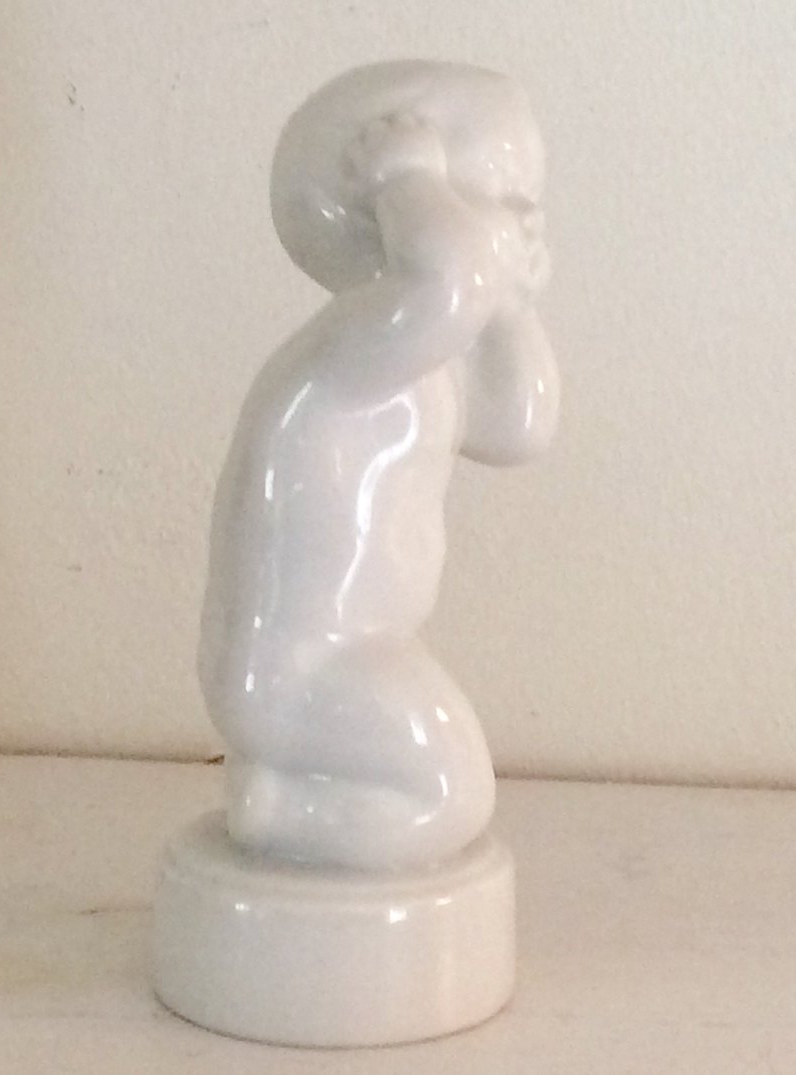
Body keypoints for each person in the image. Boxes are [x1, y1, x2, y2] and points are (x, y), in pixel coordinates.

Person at [199, 62, 558, 871]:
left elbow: (519, 428)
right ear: (397, 212)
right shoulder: (357, 346)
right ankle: (280, 814)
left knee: (449, 790)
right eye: (503, 200)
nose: (525, 222)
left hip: (360, 657)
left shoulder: (416, 360)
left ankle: (292, 790)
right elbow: (452, 279)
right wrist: (405, 177)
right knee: (453, 796)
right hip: (303, 669)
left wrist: (512, 311)